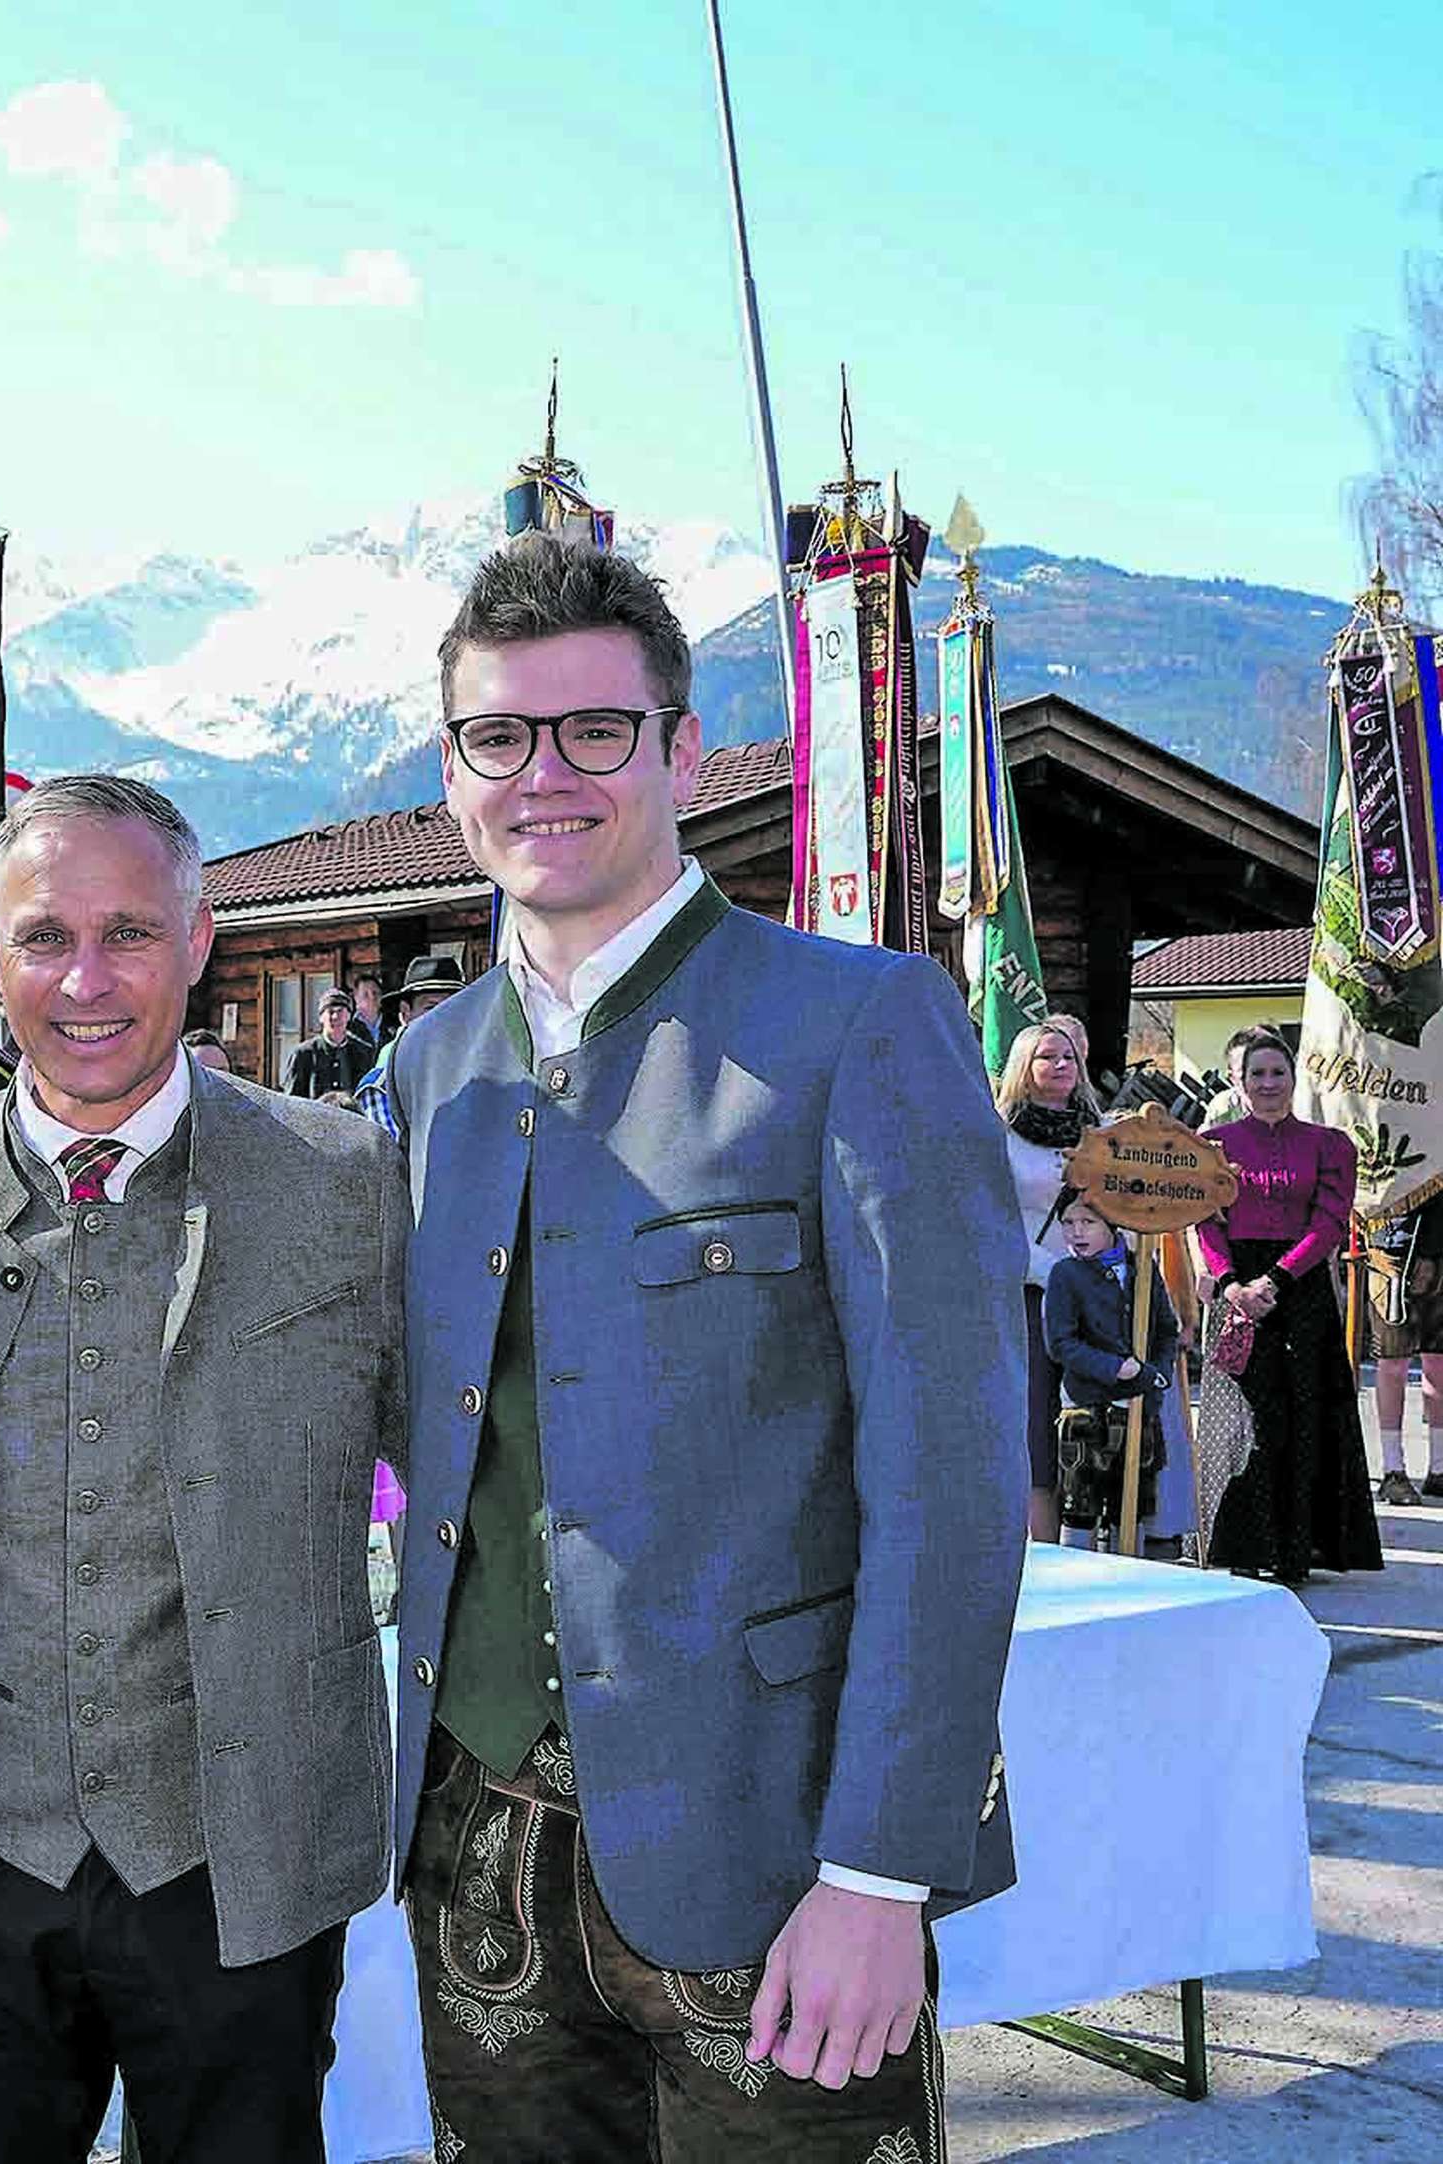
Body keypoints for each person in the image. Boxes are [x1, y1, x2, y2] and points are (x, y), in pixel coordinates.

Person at [386, 532, 1025, 2162]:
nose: (544, 773)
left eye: (594, 730)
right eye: (497, 735)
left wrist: (883, 1870)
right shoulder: (424, 1071)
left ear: (681, 752)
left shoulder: (856, 1022)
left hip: (775, 1847)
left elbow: (952, 1488)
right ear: (452, 772)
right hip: (475, 1849)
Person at [0, 773, 408, 2161]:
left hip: (244, 1855)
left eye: (128, 932)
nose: (86, 980)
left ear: (199, 941)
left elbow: (460, 1479)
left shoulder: (345, 1183)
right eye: (44, 937)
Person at [1196, 1024, 1385, 1583]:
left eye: (1278, 1072)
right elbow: (1206, 1218)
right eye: (1257, 1073)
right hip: (1237, 1287)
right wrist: (1230, 1283)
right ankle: (1241, 1546)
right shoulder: (1214, 1144)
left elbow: (1329, 1223)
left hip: (1299, 1290)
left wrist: (1276, 1280)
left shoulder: (1330, 1145)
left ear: (1293, 1077)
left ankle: (1294, 1550)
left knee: (1301, 1416)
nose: (1268, 1082)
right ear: (1238, 1081)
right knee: (1244, 1419)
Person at [999, 1017, 1102, 1543]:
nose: (1061, 1065)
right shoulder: (1000, 1133)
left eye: (1068, 1057)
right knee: (1037, 1421)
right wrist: (1053, 1271)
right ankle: (1041, 1545)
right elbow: (995, 1216)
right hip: (1032, 1292)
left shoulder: (1102, 1129)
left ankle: (1096, 1543)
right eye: (1047, 1056)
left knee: (1096, 1419)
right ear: (1024, 1065)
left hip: (1096, 1292)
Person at [1042, 1194, 1178, 1543]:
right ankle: (1076, 1569)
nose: (1076, 1232)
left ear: (1112, 1223)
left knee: (1132, 1508)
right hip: (1086, 1408)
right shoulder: (1065, 1274)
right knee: (1079, 1504)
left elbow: (1166, 1329)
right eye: (1068, 1223)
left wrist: (1157, 1373)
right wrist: (1115, 1368)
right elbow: (1061, 1343)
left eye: (1087, 1223)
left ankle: (1130, 1565)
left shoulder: (1142, 1269)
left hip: (1138, 1407)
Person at [1362, 1196, 1443, 1505]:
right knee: (1393, 1361)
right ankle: (1393, 1469)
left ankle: (1439, 1467)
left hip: (1438, 1240)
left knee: (1438, 1362)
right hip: (1392, 1248)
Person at [282, 988, 374, 1100]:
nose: (335, 1017)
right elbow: (291, 1100)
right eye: (330, 1012)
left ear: (349, 1016)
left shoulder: (364, 1052)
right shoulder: (303, 1054)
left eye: (340, 1011)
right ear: (321, 1018)